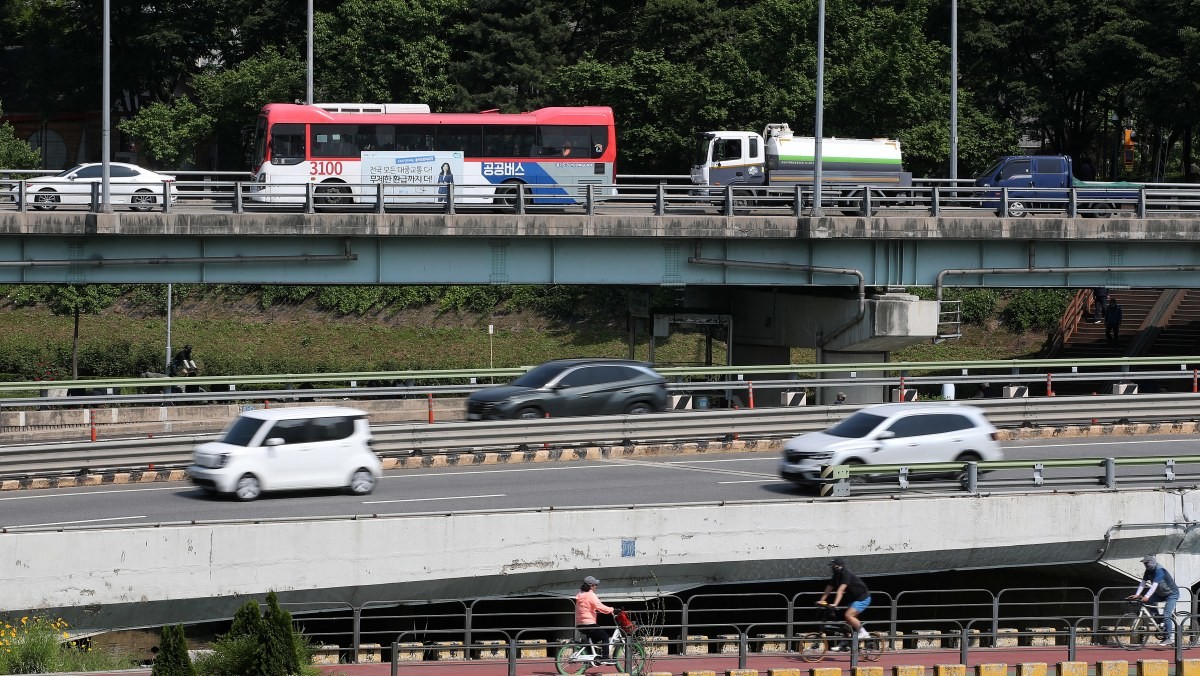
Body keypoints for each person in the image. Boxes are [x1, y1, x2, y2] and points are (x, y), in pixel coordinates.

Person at [817, 557, 871, 649]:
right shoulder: (836, 576)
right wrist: (822, 600)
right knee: (848, 625)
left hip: (862, 597)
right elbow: (828, 588)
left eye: (833, 566)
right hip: (853, 599)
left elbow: (841, 590)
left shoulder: (846, 574)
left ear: (839, 566)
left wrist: (835, 604)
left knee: (848, 616)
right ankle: (843, 645)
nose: (832, 568)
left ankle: (864, 633)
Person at [1127, 555, 1179, 645]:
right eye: (1145, 563)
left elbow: (1154, 585)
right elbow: (1143, 583)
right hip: (1160, 593)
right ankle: (1159, 618)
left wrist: (1147, 595)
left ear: (1152, 562)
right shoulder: (1148, 571)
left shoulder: (1160, 570)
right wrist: (1137, 594)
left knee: (1167, 614)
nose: (1146, 565)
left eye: (1147, 563)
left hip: (1171, 594)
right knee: (1149, 601)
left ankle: (1168, 637)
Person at [575, 575, 615, 663]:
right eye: (595, 585)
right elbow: (599, 606)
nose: (596, 587)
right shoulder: (590, 595)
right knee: (605, 637)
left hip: (579, 623)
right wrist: (612, 609)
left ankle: (589, 660)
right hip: (588, 623)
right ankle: (605, 658)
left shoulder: (580, 594)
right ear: (591, 585)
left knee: (593, 640)